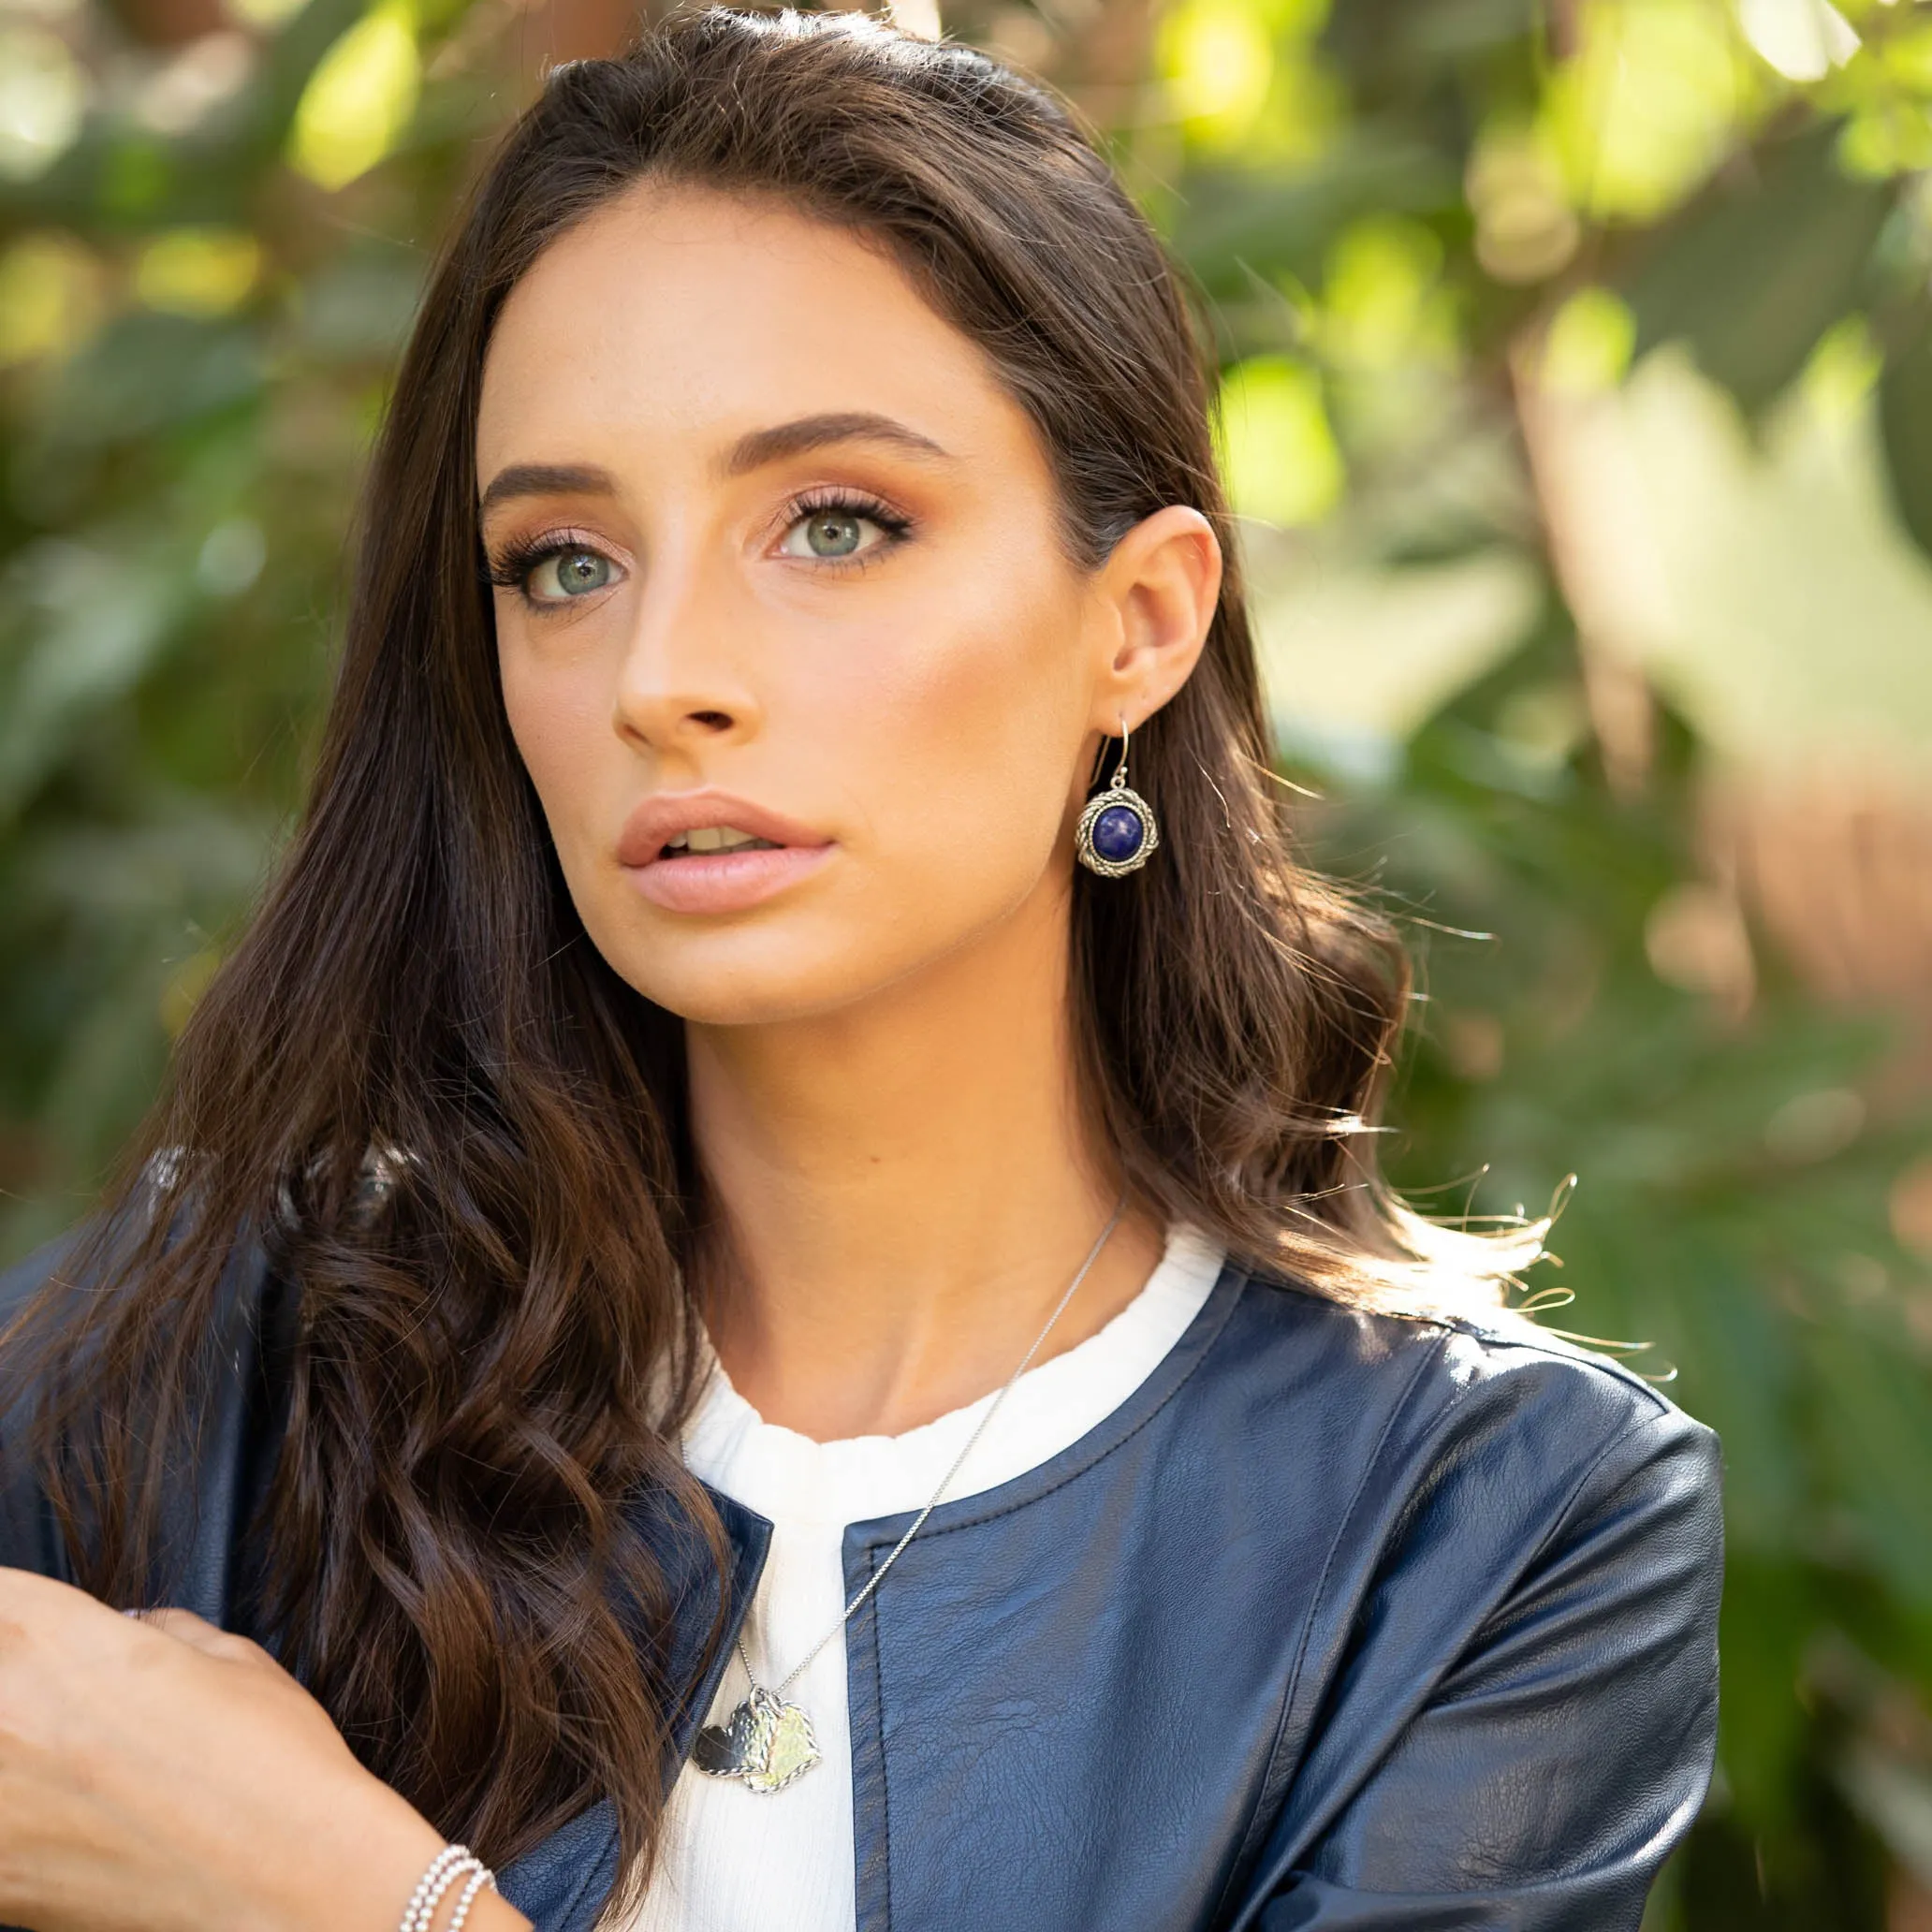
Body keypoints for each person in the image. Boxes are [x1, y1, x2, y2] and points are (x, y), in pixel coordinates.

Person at [0, 11, 1723, 1931]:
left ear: (1137, 622)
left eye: (834, 525)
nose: (663, 676)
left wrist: (361, 1906)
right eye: (563, 561)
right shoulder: (179, 1391)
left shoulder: (1484, 1532)